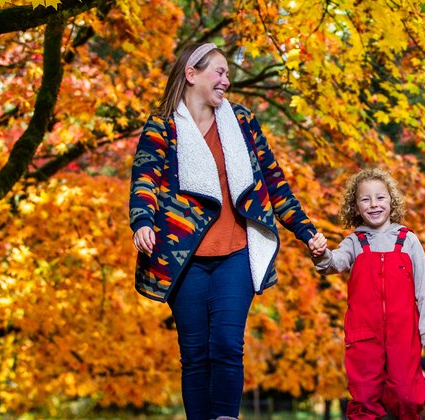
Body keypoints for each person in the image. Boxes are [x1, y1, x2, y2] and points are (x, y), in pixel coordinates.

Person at [128, 42, 327, 420]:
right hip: (184, 257)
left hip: (236, 254)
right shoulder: (164, 126)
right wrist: (142, 220)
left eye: (227, 74)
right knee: (195, 354)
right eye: (219, 72)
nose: (227, 80)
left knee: (226, 344)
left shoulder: (243, 122)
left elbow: (273, 182)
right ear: (192, 74)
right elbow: (145, 179)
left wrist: (306, 231)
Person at [311, 168, 425, 420]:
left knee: (407, 394)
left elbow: (423, 289)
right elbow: (333, 263)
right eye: (365, 199)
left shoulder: (408, 240)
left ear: (391, 200)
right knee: (364, 398)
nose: (373, 204)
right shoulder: (355, 242)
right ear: (355, 206)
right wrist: (322, 253)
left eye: (380, 197)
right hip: (364, 335)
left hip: (404, 333)